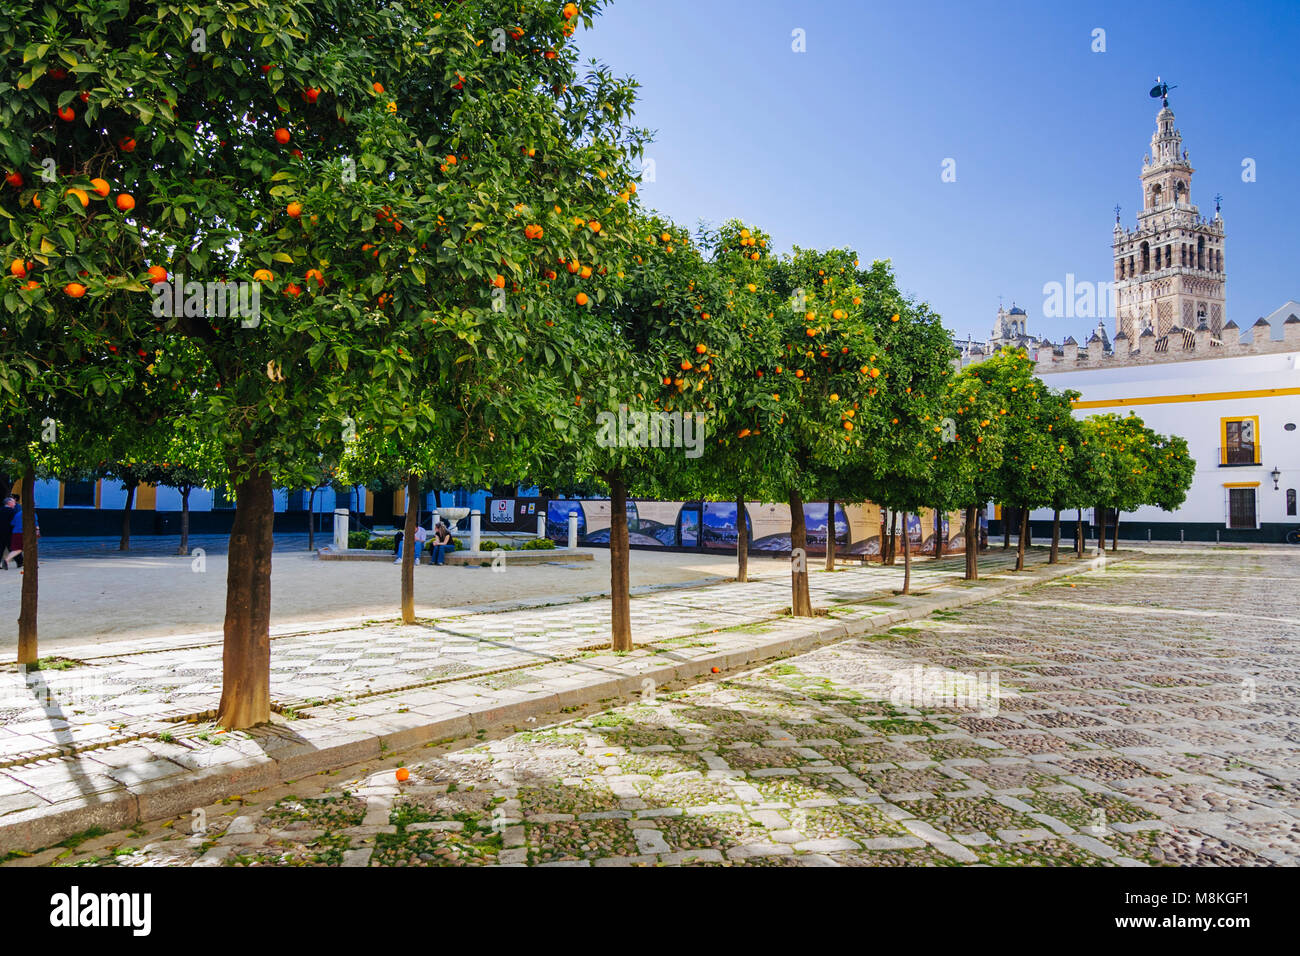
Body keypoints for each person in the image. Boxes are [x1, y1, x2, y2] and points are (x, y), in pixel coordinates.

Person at [8, 494, 35, 570]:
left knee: (18, 548)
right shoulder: (19, 509)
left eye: (11, 498)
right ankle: (23, 562)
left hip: (16, 531)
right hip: (19, 531)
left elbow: (13, 522)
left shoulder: (18, 509)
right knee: (21, 547)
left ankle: (22, 561)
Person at [1, 494, 14, 570]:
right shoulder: (12, 511)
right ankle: (20, 561)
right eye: (13, 502)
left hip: (1, 532)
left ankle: (20, 561)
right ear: (9, 503)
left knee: (1, 547)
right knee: (13, 548)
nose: (14, 503)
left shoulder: (1, 509)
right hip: (9, 532)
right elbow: (13, 522)